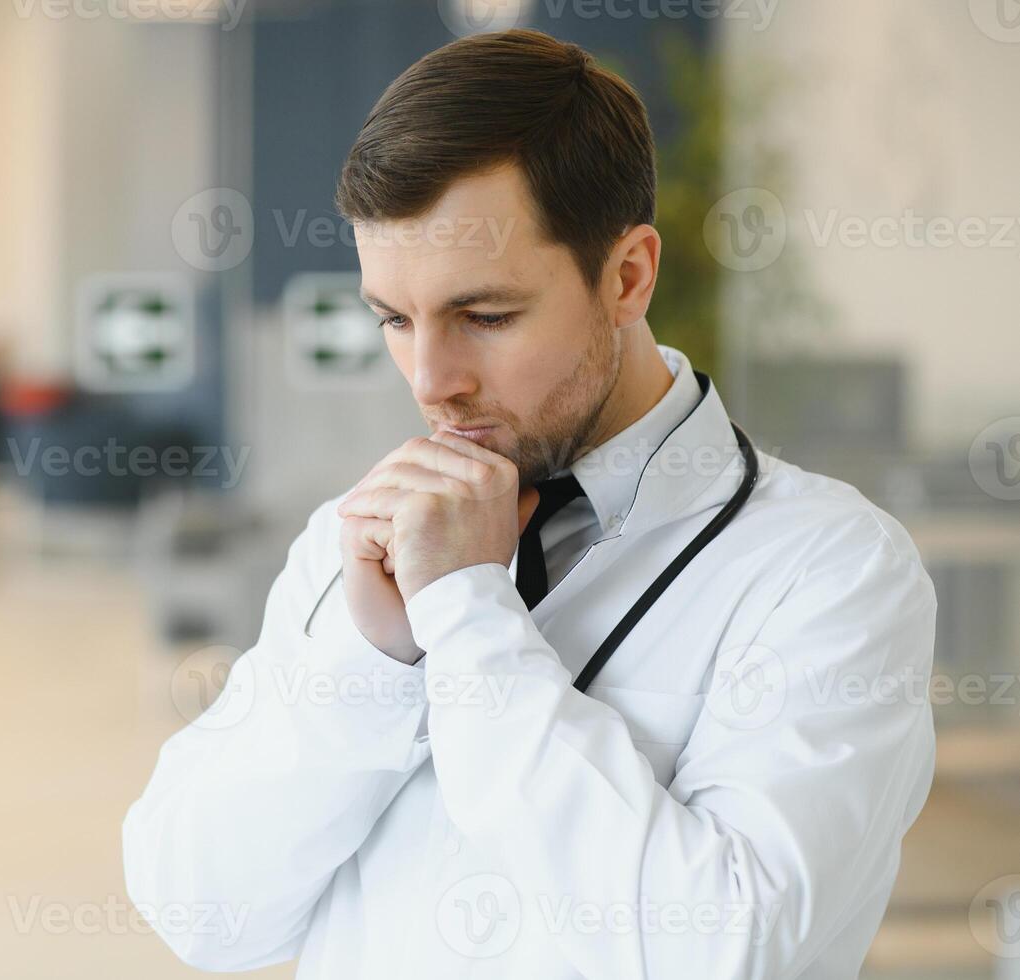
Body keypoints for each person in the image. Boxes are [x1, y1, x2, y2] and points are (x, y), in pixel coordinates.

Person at [124, 29, 935, 979]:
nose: (431, 380)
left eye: (484, 316)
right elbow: (203, 914)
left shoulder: (829, 570)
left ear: (627, 276)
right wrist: (375, 661)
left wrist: (468, 618)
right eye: (393, 318)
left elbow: (726, 956)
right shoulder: (361, 537)